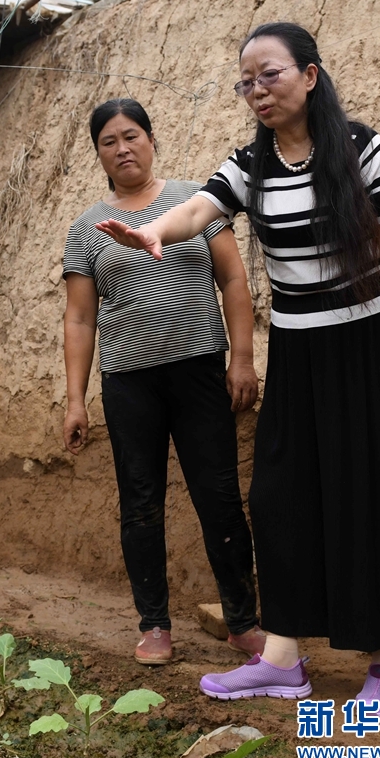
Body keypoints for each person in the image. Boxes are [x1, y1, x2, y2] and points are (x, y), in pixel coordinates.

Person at [95, 24, 380, 711]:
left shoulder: (361, 147)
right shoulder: (248, 165)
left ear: (310, 76)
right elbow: (199, 209)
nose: (257, 90)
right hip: (298, 353)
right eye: (246, 82)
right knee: (280, 500)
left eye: (270, 75)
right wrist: (154, 231)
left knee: (375, 494)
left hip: (370, 345)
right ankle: (283, 660)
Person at [62, 98, 266, 665]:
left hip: (200, 373)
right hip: (129, 384)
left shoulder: (196, 202)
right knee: (140, 503)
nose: (122, 148)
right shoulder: (86, 228)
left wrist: (242, 360)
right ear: (99, 154)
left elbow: (233, 280)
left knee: (220, 498)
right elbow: (79, 318)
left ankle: (243, 622)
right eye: (109, 141)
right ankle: (154, 625)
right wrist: (75, 400)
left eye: (131, 136)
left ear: (152, 140)